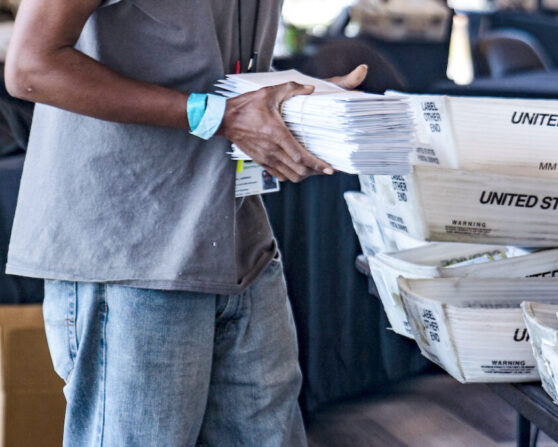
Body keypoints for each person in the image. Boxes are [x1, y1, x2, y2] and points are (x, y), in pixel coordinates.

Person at [4, 0, 366, 445]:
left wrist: (306, 111)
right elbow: (31, 67)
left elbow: (223, 75)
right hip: (132, 256)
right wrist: (218, 116)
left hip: (241, 248)